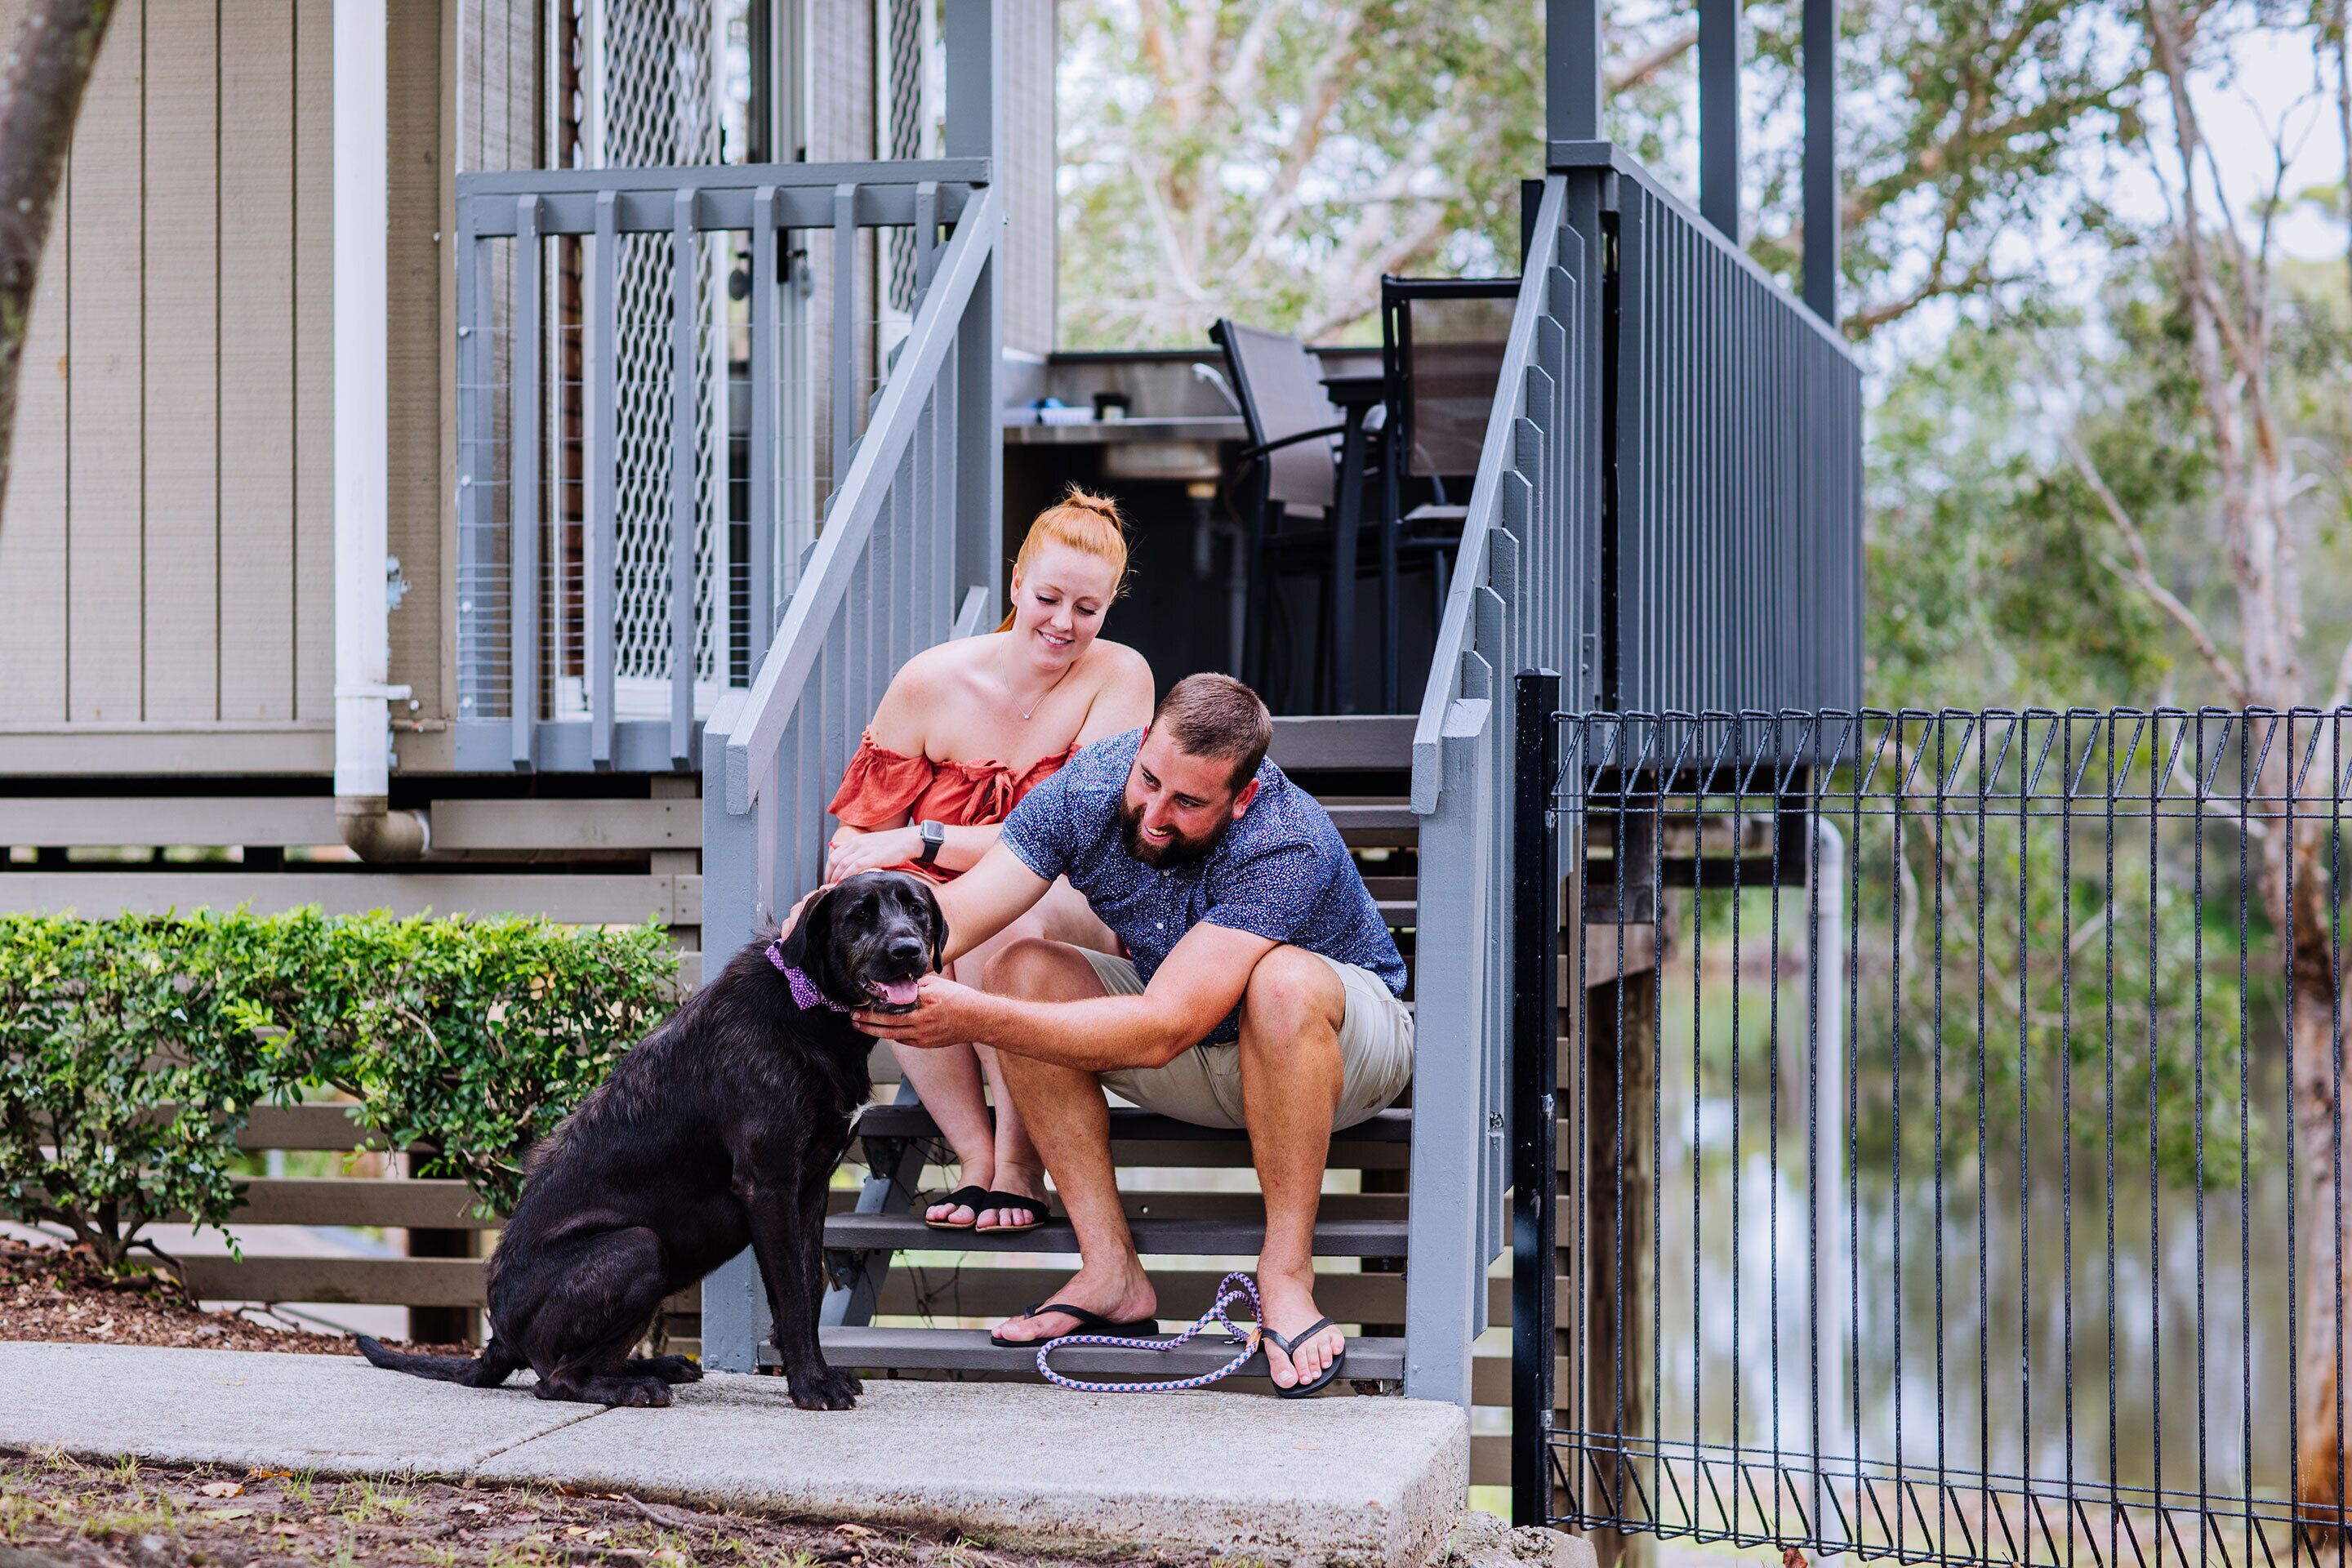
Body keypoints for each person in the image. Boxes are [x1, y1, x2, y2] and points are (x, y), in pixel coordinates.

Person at [846, 673, 1412, 1394]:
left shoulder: (1284, 838)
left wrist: (972, 1016)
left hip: (1338, 1046)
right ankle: (1110, 1272)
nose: (1153, 812)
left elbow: (1160, 1030)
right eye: (1150, 780)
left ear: (1241, 797)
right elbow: (960, 908)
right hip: (1199, 1044)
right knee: (1022, 969)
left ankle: (1287, 1275)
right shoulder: (1093, 787)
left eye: (1188, 802)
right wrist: (841, 932)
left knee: (1279, 981)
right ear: (1144, 744)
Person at [822, 487, 1153, 1233]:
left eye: (1087, 609)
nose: (1064, 624)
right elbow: (859, 832)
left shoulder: (1120, 677)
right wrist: (866, 868)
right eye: (1048, 598)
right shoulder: (929, 681)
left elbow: (1072, 838)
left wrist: (924, 840)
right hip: (949, 908)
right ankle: (973, 1157)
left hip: (1070, 898)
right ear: (1015, 584)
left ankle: (1017, 1167)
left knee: (1010, 918)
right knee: (894, 936)